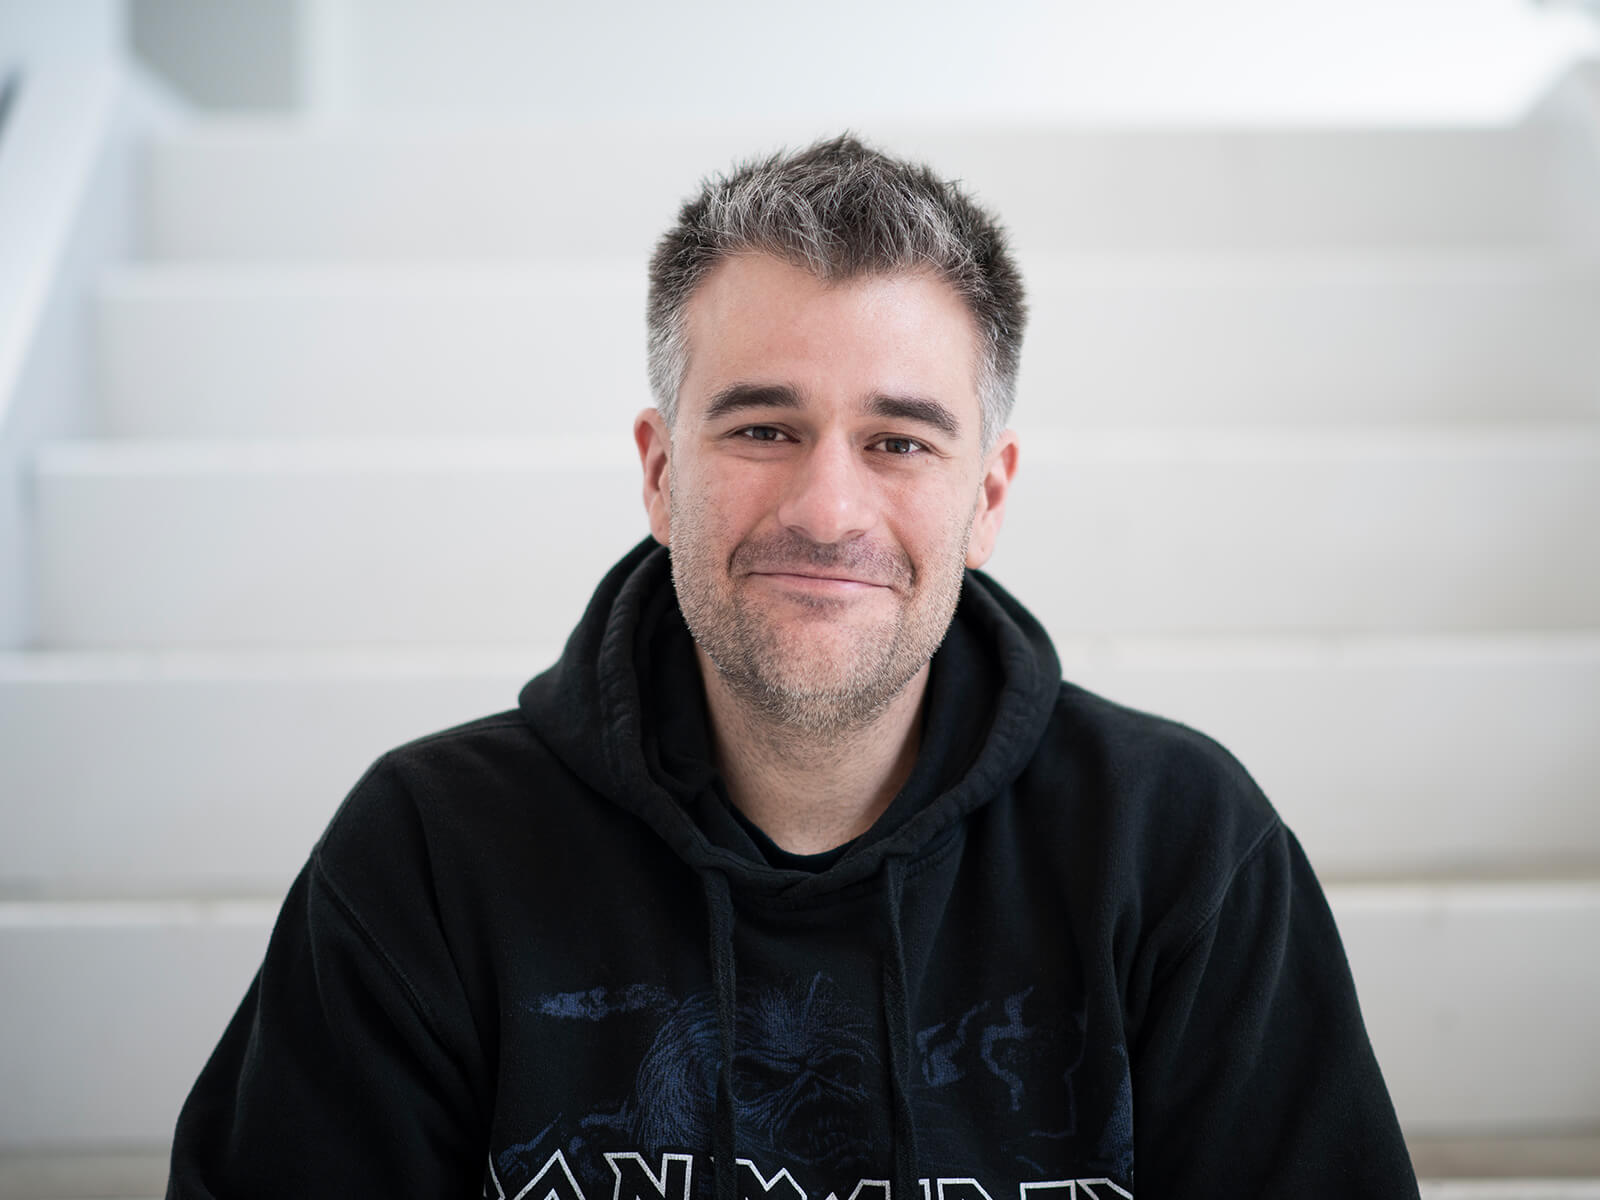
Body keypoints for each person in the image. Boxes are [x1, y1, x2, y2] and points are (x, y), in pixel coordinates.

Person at [167, 135, 1419, 1200]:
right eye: (765, 428)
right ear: (661, 473)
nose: (829, 507)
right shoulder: (429, 853)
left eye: (898, 440)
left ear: (987, 500)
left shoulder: (1180, 846)